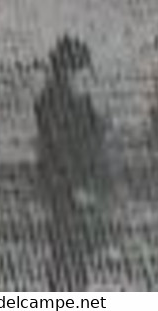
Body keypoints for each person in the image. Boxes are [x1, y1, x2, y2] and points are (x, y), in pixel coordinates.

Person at [34, 35, 110, 291]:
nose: (85, 79)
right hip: (67, 186)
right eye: (80, 74)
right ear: (65, 73)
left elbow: (93, 139)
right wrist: (76, 186)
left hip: (79, 184)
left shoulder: (78, 101)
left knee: (75, 250)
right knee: (67, 249)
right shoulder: (53, 104)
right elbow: (58, 151)